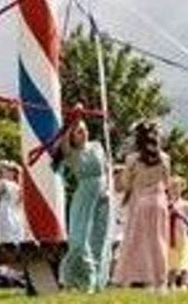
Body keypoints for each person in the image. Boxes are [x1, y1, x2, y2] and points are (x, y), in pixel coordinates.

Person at [56, 105, 112, 293]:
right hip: (84, 196)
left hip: (103, 197)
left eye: (85, 130)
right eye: (80, 131)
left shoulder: (97, 146)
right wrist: (74, 117)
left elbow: (106, 170)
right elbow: (63, 143)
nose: (84, 134)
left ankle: (94, 282)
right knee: (79, 240)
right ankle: (81, 278)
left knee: (98, 238)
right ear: (72, 135)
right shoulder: (71, 153)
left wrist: (108, 192)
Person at [114, 120, 170, 294]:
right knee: (158, 242)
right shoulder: (165, 158)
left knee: (134, 242)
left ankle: (127, 280)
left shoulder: (132, 159)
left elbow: (124, 185)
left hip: (140, 203)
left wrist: (118, 175)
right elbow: (166, 182)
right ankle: (160, 282)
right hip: (159, 203)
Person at [167, 176, 188, 290]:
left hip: (182, 235)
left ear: (181, 189)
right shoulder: (165, 204)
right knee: (171, 262)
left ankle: (184, 284)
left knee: (183, 261)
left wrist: (180, 214)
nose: (174, 189)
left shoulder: (186, 204)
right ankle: (172, 284)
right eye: (172, 187)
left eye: (176, 187)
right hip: (169, 236)